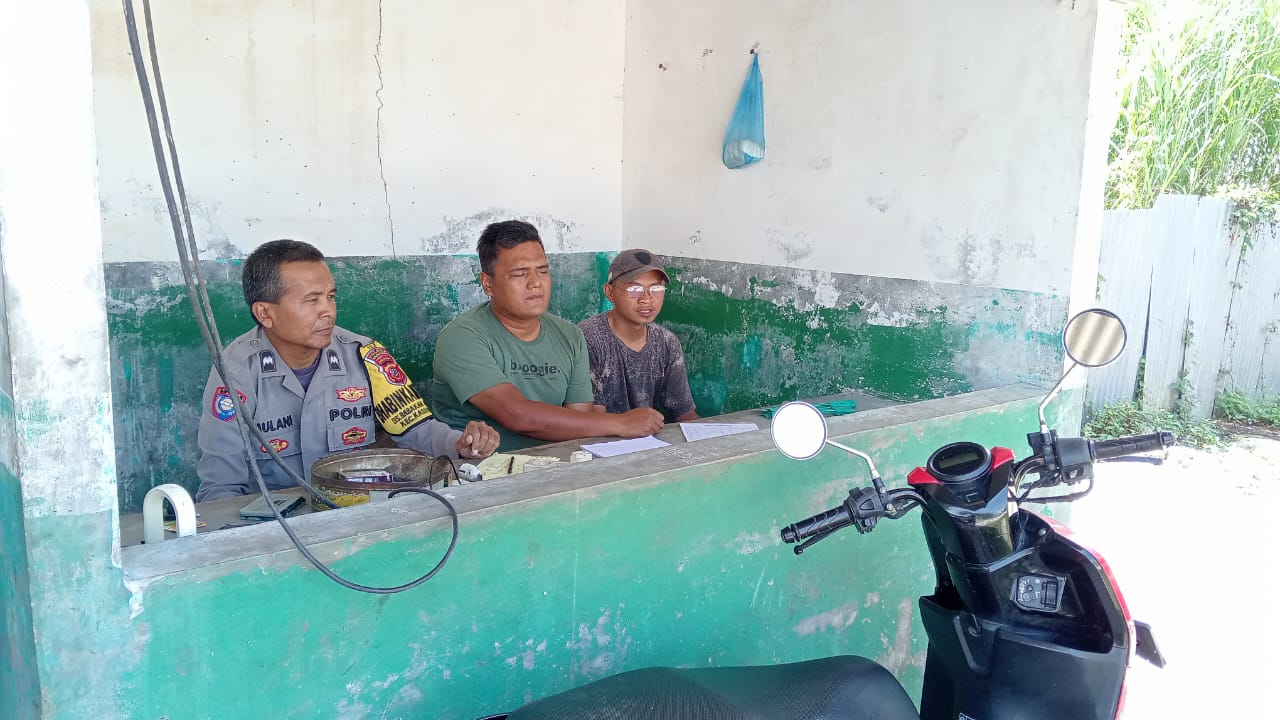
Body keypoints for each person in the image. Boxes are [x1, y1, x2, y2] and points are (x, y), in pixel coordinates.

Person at [195, 240, 499, 501]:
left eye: (330, 297)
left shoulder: (366, 355)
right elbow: (221, 486)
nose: (328, 310)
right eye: (311, 300)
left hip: (360, 513)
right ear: (265, 313)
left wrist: (462, 444)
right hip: (278, 526)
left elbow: (418, 432)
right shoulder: (236, 372)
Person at [430, 220, 664, 450]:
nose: (536, 283)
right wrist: (622, 423)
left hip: (552, 464)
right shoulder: (462, 337)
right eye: (520, 274)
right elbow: (517, 416)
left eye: (542, 271)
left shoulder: (570, 335)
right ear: (488, 284)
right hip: (477, 468)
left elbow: (581, 423)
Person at [578, 249, 699, 422]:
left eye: (656, 288)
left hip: (648, 436)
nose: (646, 299)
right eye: (635, 289)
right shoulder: (588, 339)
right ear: (609, 292)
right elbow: (592, 422)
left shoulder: (667, 342)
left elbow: (684, 413)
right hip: (602, 436)